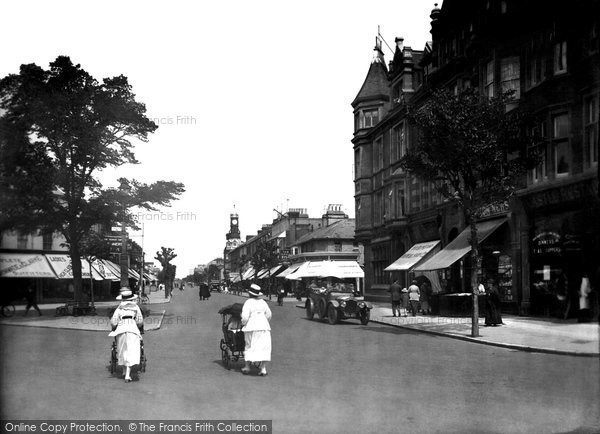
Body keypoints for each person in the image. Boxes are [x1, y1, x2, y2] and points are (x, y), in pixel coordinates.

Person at [109, 288, 144, 382]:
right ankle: (127, 375)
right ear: (132, 299)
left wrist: (115, 326)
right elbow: (140, 321)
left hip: (121, 329)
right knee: (131, 350)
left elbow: (113, 322)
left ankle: (125, 371)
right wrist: (136, 324)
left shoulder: (119, 308)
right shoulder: (136, 308)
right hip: (133, 329)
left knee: (123, 349)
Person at [241, 284, 272, 376]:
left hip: (252, 327)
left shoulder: (248, 302)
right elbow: (269, 314)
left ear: (250, 294)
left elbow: (245, 317)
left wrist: (244, 323)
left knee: (249, 345)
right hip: (264, 327)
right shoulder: (263, 302)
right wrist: (264, 321)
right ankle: (263, 368)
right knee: (264, 347)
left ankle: (247, 367)